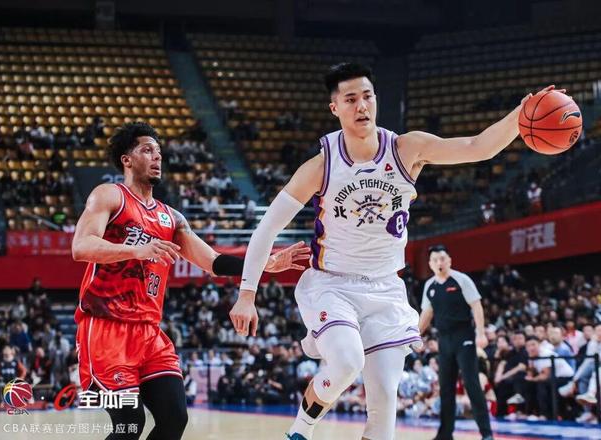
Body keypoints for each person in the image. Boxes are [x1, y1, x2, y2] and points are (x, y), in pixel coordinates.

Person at [229, 62, 552, 440]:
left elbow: (477, 147)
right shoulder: (322, 165)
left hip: (385, 289)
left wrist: (521, 115)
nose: (362, 105)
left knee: (384, 412)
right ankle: (300, 431)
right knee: (346, 362)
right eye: (351, 99)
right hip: (332, 285)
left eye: (367, 96)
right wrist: (247, 294)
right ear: (335, 108)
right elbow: (267, 227)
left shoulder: (406, 148)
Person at [71, 122, 308, 440]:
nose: (157, 157)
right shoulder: (110, 195)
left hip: (149, 333)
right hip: (106, 330)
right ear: (126, 160)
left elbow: (213, 262)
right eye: (147, 150)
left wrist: (265, 263)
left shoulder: (171, 217)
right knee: (129, 424)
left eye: (158, 151)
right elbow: (81, 247)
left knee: (174, 419)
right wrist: (136, 250)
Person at [419, 245, 494, 440]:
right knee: (446, 387)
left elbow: (476, 306)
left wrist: (480, 333)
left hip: (464, 337)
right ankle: (445, 434)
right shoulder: (430, 286)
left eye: (442, 259)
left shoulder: (461, 280)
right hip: (444, 340)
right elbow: (427, 313)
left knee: (471, 383)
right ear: (430, 264)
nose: (439, 263)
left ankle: (486, 433)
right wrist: (415, 335)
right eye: (435, 260)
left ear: (449, 260)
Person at [558, 322, 601, 422]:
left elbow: (596, 359)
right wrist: (575, 379)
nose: (598, 333)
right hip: (595, 372)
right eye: (596, 331)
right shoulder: (593, 342)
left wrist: (593, 342)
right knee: (583, 380)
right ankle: (588, 412)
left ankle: (593, 403)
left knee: (593, 370)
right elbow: (586, 362)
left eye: (600, 330)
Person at [522, 336, 574, 420]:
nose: (531, 348)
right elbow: (530, 375)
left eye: (533, 344)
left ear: (539, 344)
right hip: (553, 378)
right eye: (528, 346)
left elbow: (545, 376)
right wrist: (531, 362)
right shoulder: (531, 355)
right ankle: (530, 413)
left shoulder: (546, 354)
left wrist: (532, 379)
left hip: (566, 378)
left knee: (542, 384)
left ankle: (545, 415)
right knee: (528, 384)